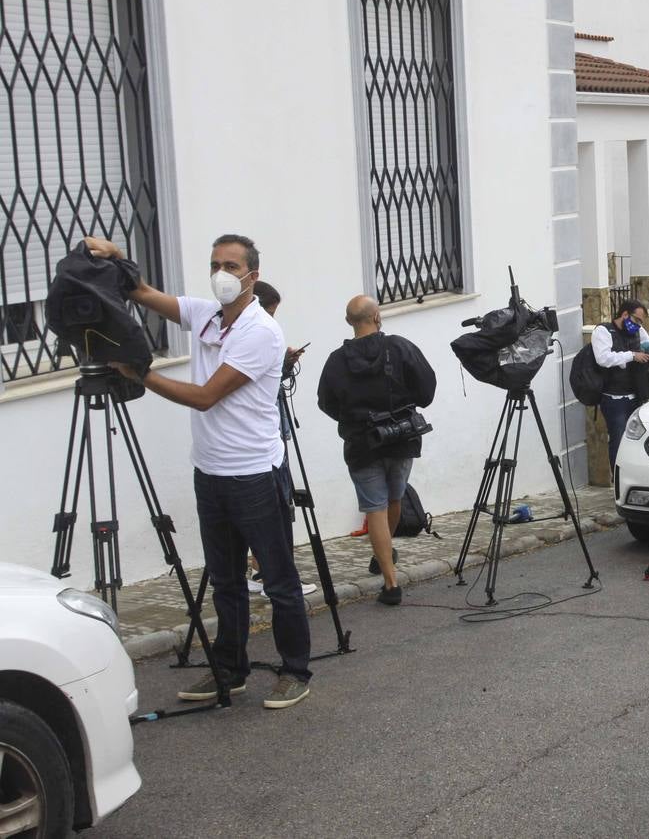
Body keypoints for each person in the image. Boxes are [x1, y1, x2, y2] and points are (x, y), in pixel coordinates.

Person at [84, 234, 313, 710]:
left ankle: (295, 671)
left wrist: (141, 375)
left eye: (231, 266)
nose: (222, 274)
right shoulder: (207, 314)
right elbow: (144, 293)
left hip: (254, 475)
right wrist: (121, 261)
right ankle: (230, 670)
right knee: (225, 580)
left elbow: (206, 396)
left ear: (252, 275)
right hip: (209, 473)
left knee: (278, 580)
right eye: (215, 264)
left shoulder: (260, 332)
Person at [317, 296, 437, 606]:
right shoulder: (399, 347)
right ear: (378, 317)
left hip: (362, 444)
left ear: (349, 322)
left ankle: (390, 580)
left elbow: (326, 403)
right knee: (393, 499)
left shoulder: (335, 361)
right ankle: (385, 560)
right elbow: (427, 388)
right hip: (401, 437)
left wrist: (356, 419)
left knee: (375, 507)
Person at [246, 280, 317, 597]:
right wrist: (280, 367)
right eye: (270, 313)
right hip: (264, 440)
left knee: (273, 506)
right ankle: (273, 575)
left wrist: (283, 367)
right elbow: (256, 387)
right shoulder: (252, 339)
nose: (272, 322)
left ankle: (262, 570)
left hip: (270, 433)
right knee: (275, 507)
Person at [591, 299, 649, 469]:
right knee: (619, 440)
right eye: (636, 320)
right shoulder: (603, 331)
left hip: (636, 396)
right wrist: (632, 355)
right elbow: (603, 358)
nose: (638, 325)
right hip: (615, 399)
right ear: (625, 314)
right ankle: (618, 478)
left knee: (636, 442)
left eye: (641, 322)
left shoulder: (638, 330)